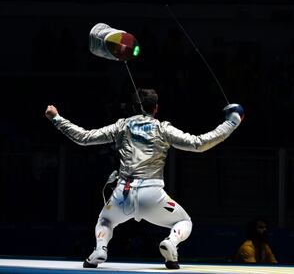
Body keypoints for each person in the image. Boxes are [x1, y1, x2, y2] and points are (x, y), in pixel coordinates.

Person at [44, 88, 243, 269]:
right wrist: (232, 121)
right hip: (153, 196)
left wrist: (56, 118)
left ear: (132, 108)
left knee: (105, 220)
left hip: (123, 194)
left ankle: (100, 250)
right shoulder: (163, 128)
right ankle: (171, 244)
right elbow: (199, 143)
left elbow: (84, 137)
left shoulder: (121, 126)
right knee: (184, 221)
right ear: (156, 108)